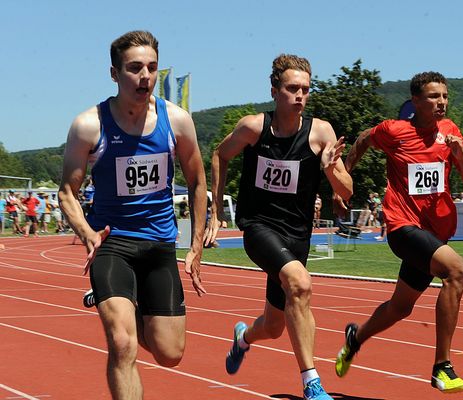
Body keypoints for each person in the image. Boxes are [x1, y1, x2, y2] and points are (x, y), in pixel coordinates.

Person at [58, 30, 207, 400]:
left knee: (170, 353)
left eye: (152, 68)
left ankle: (126, 304)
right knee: (123, 344)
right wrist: (87, 233)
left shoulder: (177, 121)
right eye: (135, 68)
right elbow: (67, 193)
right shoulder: (89, 126)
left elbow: (198, 182)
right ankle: (114, 300)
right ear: (114, 74)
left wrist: (196, 245)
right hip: (112, 243)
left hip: (159, 244)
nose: (145, 76)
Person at [204, 54, 352, 400]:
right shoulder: (254, 127)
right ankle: (312, 382)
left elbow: (346, 190)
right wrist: (215, 212)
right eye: (292, 88)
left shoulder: (321, 132)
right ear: (274, 90)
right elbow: (220, 155)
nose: (300, 96)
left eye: (305, 89)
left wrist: (330, 170)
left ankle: (243, 338)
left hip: (297, 234)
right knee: (300, 285)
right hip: (258, 227)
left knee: (273, 326)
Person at [333, 71, 463, 394]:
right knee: (457, 272)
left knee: (400, 307)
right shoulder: (394, 131)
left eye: (444, 96)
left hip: (434, 234)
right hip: (402, 226)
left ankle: (355, 337)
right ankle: (442, 368)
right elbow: (363, 140)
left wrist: (459, 157)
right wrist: (342, 183)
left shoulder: (450, 132)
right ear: (415, 101)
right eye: (433, 96)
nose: (441, 102)